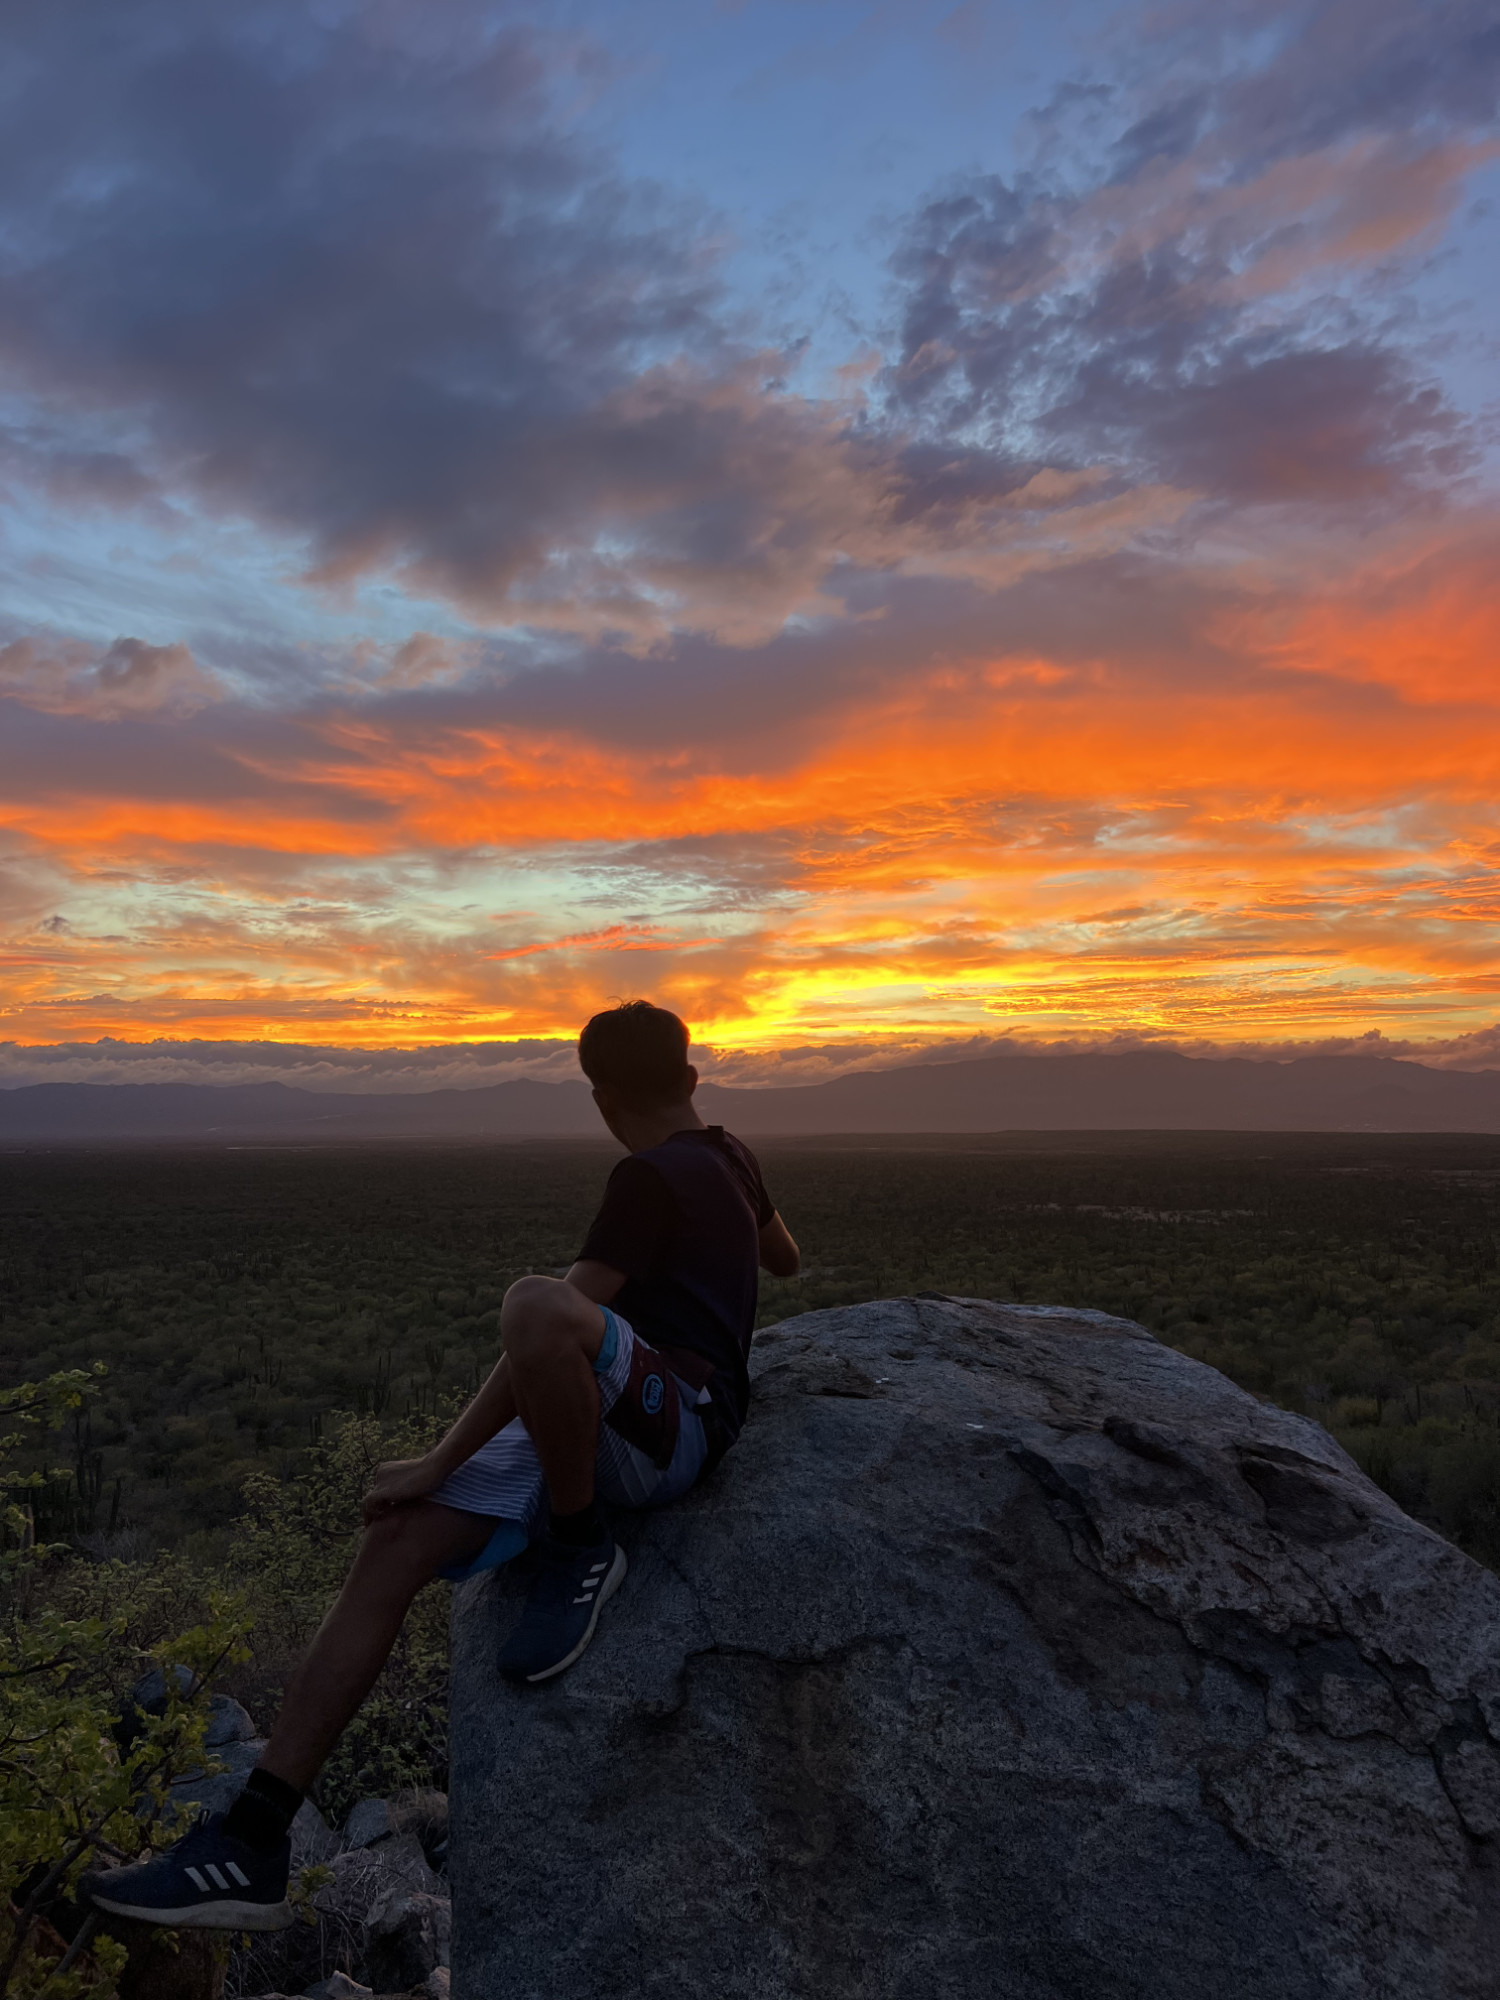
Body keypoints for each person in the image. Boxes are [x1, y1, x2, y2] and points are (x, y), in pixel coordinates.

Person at [83, 1001, 799, 1933]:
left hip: (681, 1432)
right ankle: (253, 1839)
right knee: (397, 1541)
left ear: (601, 1098)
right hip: (620, 1422)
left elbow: (547, 1333)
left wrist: (439, 1457)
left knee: (536, 1307)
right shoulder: (734, 1156)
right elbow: (786, 1259)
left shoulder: (644, 1179)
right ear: (695, 1081)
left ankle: (584, 1545)